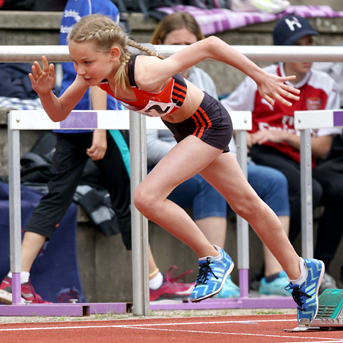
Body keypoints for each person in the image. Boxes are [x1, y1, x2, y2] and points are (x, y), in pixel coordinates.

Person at [28, 13, 323, 326]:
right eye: (75, 62)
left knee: (146, 196)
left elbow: (210, 44)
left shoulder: (146, 72)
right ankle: (303, 273)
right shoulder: (95, 77)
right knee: (247, 204)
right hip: (186, 130)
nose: (79, 70)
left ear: (113, 54)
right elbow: (59, 114)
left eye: (85, 62)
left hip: (209, 124)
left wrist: (258, 77)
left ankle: (212, 257)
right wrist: (46, 93)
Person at [0, 0, 194, 305]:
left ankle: (17, 278)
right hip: (101, 117)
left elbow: (85, 62)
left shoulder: (73, 6)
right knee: (132, 197)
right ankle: (154, 282)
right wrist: (100, 127)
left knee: (57, 197)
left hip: (70, 115)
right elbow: (98, 69)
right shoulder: (98, 4)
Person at [149, 11, 291, 297]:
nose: (182, 52)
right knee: (207, 180)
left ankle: (280, 273)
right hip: (171, 166)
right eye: (175, 44)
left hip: (205, 151)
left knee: (273, 180)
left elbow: (217, 126)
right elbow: (148, 146)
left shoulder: (202, 77)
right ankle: (218, 270)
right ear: (159, 43)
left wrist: (232, 159)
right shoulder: (148, 77)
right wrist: (193, 156)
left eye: (188, 45)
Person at [221, 15, 343, 296]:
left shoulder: (324, 84)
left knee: (337, 189)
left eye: (309, 43)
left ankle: (320, 269)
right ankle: (278, 270)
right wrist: (246, 134)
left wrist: (281, 134)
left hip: (303, 155)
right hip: (265, 154)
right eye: (296, 45)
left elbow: (323, 147)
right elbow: (224, 111)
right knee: (304, 187)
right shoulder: (260, 79)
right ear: (281, 49)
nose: (305, 51)